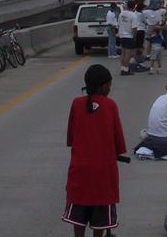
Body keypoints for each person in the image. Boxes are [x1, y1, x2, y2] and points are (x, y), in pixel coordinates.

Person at [63, 65, 127, 237]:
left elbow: (71, 137)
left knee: (78, 213)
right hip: (103, 172)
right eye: (109, 85)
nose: (110, 88)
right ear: (103, 86)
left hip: (80, 170)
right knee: (100, 216)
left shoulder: (77, 104)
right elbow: (119, 143)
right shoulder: (110, 105)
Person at [116, 0, 138, 76]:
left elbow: (118, 24)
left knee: (123, 53)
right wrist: (134, 37)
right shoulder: (133, 16)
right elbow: (134, 28)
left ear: (128, 6)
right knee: (128, 53)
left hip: (122, 35)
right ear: (134, 6)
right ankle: (126, 69)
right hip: (129, 36)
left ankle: (122, 68)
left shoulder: (121, 14)